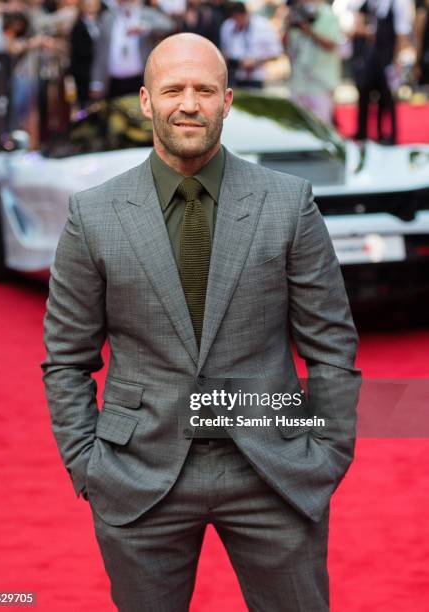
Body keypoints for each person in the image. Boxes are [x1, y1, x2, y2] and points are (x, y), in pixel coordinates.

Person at [42, 32, 361, 611]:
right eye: (173, 89)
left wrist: (328, 454)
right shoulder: (93, 216)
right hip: (138, 474)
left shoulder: (288, 203)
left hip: (274, 470)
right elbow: (66, 358)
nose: (189, 103)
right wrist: (89, 465)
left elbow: (332, 343)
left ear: (227, 101)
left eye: (204, 90)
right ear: (146, 101)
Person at [350, 0, 414, 144]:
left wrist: (397, 60)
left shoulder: (398, 3)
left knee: (388, 97)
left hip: (388, 57)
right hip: (370, 57)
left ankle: (390, 135)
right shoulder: (368, 3)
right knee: (365, 92)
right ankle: (363, 133)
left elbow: (402, 34)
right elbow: (358, 23)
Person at [90, 0, 175, 99]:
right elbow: (100, 53)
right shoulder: (107, 18)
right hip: (113, 82)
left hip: (140, 79)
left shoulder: (146, 13)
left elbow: (169, 25)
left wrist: (145, 28)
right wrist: (96, 82)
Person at [285, 0, 342, 125]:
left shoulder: (328, 15)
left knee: (321, 125)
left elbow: (331, 44)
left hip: (320, 82)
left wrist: (310, 31)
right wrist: (288, 24)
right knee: (297, 125)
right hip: (299, 82)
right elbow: (287, 48)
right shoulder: (296, 15)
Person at [220, 1, 282, 88]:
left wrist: (256, 62)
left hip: (257, 77)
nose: (237, 21)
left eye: (239, 17)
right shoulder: (228, 26)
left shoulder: (263, 26)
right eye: (234, 18)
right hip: (234, 75)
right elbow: (224, 51)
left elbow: (276, 53)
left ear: (245, 14)